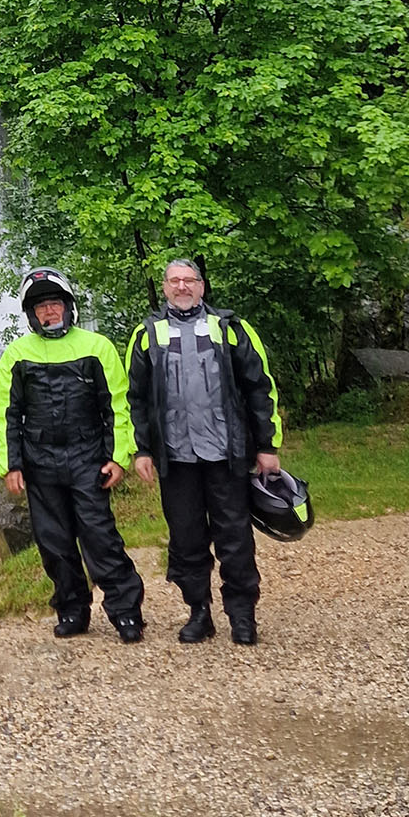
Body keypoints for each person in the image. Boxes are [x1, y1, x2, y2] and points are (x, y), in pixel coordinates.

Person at [126, 258, 282, 646]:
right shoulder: (147, 334)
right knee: (186, 539)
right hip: (175, 458)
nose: (182, 287)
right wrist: (142, 450)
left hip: (226, 455)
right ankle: (199, 613)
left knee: (235, 538)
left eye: (189, 280)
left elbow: (260, 388)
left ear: (202, 285)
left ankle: (242, 616)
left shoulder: (231, 329)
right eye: (174, 281)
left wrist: (266, 446)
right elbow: (136, 399)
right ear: (164, 288)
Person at [0, 266, 145, 643]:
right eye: (41, 306)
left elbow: (117, 407)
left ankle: (126, 613)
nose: (49, 312)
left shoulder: (97, 347)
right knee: (54, 543)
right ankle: (72, 610)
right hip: (40, 463)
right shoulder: (17, 354)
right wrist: (10, 464)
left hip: (88, 458)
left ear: (68, 306)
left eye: (55, 303)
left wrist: (117, 456)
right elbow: (4, 412)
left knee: (100, 538)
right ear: (31, 314)